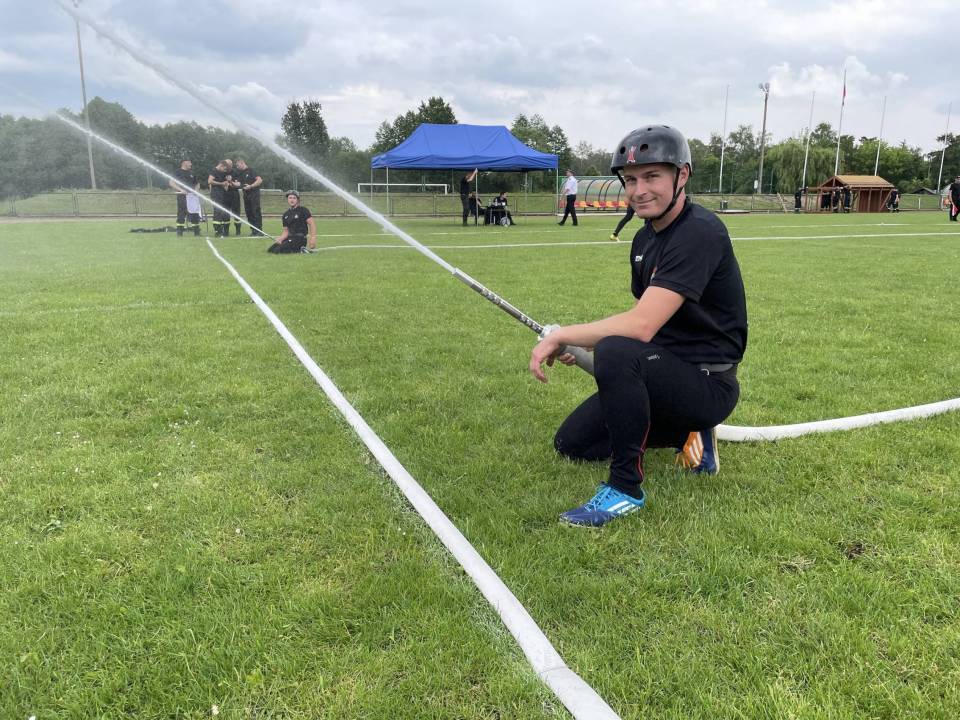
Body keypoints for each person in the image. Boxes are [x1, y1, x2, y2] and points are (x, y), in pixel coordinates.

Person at [529, 125, 747, 527]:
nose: (639, 190)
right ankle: (686, 434)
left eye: (652, 177)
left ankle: (625, 488)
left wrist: (564, 334)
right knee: (571, 443)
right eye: (630, 180)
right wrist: (582, 348)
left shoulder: (700, 232)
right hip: (665, 373)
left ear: (682, 176)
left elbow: (640, 327)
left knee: (616, 349)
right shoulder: (644, 239)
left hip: (707, 384)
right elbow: (646, 321)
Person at [169, 159, 200, 236]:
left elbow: (197, 184)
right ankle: (180, 232)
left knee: (194, 213)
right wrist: (181, 190)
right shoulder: (177, 172)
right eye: (189, 163)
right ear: (184, 163)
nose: (191, 164)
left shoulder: (192, 173)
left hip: (192, 197)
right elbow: (171, 182)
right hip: (182, 196)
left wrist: (196, 190)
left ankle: (196, 232)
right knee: (181, 213)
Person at [234, 159, 263, 234]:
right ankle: (253, 230)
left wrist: (251, 186)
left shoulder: (251, 170)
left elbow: (259, 180)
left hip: (254, 194)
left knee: (255, 212)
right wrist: (233, 183)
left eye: (238, 165)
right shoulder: (240, 173)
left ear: (242, 163)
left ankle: (259, 231)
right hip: (246, 195)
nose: (237, 167)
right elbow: (239, 184)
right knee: (249, 213)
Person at [207, 160, 231, 238]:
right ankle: (217, 230)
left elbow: (225, 186)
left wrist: (227, 183)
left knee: (220, 212)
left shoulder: (222, 173)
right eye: (224, 168)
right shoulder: (214, 171)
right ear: (221, 165)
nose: (225, 170)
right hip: (215, 195)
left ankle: (220, 229)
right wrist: (221, 184)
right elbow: (209, 181)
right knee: (217, 212)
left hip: (221, 195)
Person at [223, 159, 243, 236]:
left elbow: (238, 184)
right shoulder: (222, 173)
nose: (227, 166)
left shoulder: (236, 173)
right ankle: (226, 232)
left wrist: (231, 182)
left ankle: (238, 231)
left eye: (228, 165)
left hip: (234, 194)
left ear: (231, 165)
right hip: (225, 195)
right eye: (225, 165)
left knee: (236, 213)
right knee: (225, 213)